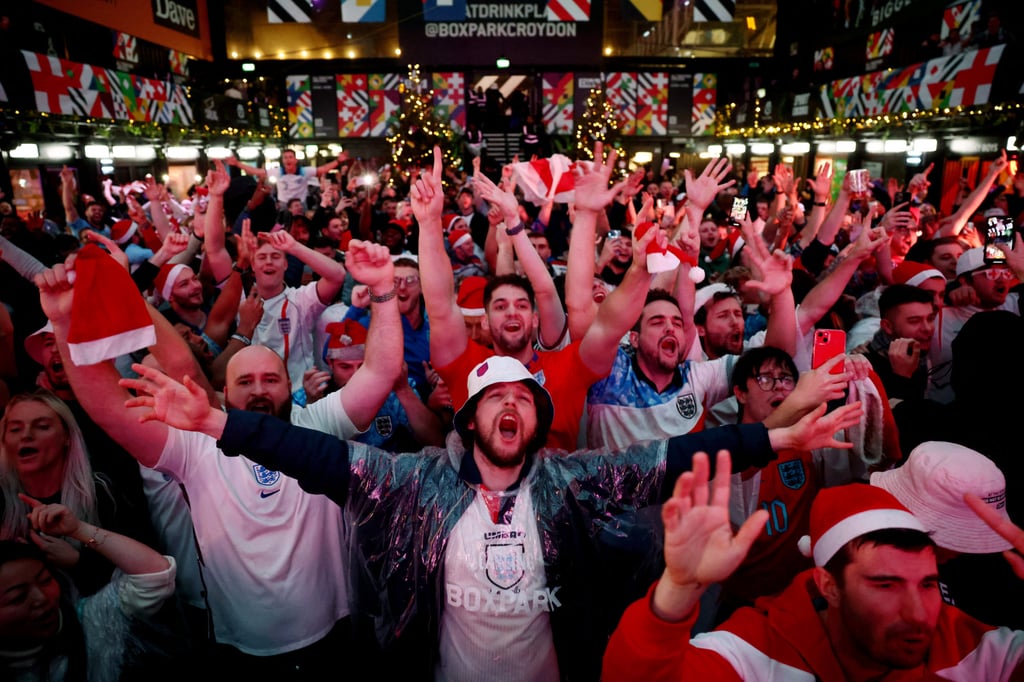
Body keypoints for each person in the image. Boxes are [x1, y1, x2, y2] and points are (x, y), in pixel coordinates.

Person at [122, 352, 863, 679]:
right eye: (495, 401)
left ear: (537, 423)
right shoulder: (410, 483)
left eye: (525, 401)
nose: (512, 408)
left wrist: (779, 436)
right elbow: (311, 456)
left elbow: (678, 454)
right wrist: (218, 425)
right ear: (469, 421)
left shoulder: (572, 480)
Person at [34, 240, 401, 675]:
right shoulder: (197, 441)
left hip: (334, 633)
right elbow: (110, 410)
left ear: (291, 387)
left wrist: (382, 289)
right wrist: (62, 324)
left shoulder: (318, 422)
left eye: (271, 379)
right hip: (238, 648)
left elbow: (379, 372)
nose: (260, 390)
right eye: (245, 381)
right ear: (224, 393)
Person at [602, 467, 1024, 680]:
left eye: (928, 584)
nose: (918, 614)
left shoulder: (977, 651)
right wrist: (679, 588)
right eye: (885, 584)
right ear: (828, 585)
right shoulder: (755, 657)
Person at [0, 500, 176, 680]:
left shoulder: (91, 621)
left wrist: (78, 529)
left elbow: (156, 573)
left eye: (45, 581)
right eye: (18, 597)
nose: (41, 599)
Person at [1, 391, 155, 596]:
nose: (26, 435)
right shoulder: (2, 502)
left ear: (67, 437)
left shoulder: (102, 494)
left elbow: (147, 572)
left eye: (42, 426)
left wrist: (79, 561)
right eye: (15, 429)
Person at [871, 440, 1024, 629]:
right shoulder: (860, 558)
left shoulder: (994, 575)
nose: (961, 548)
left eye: (970, 535)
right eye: (958, 534)